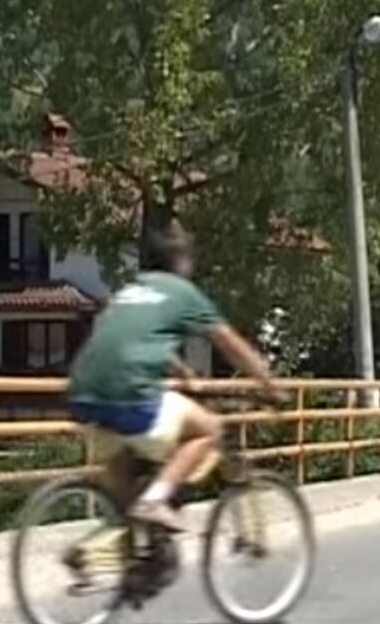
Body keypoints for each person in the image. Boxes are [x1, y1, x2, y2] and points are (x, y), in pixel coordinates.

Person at [68, 221, 284, 532]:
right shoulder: (182, 292)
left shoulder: (131, 289)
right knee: (208, 430)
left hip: (83, 393)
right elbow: (228, 342)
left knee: (125, 498)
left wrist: (183, 373)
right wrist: (269, 384)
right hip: (129, 394)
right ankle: (155, 501)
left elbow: (133, 341)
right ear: (181, 261)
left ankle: (119, 543)